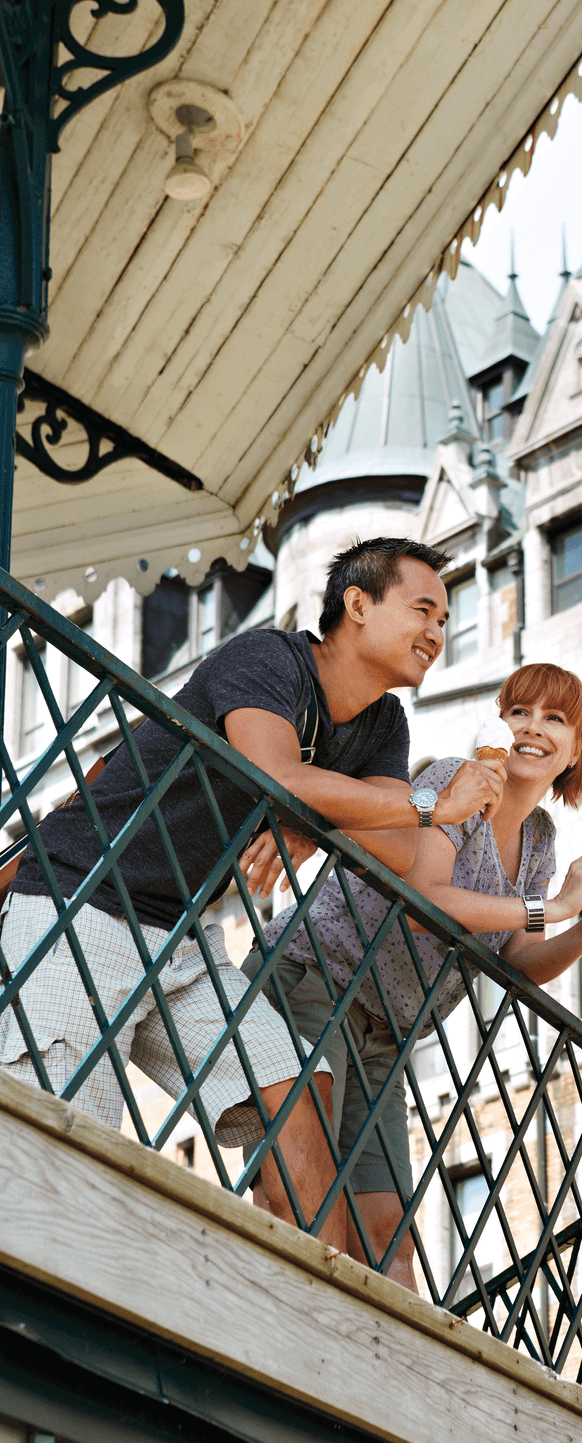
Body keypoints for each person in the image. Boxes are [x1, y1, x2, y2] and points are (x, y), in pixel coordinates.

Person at [0, 536, 506, 1254]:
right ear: (357, 604)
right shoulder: (267, 659)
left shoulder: (382, 723)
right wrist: (420, 806)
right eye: (423, 609)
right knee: (62, 1126)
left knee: (298, 1087)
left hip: (184, 934)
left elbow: (391, 853)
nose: (436, 632)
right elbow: (282, 776)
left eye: (445, 619)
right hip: (83, 897)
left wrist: (322, 821)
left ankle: (319, 1321)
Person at [242, 662, 582, 1293]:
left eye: (555, 719)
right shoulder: (453, 785)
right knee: (302, 1201)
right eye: (520, 711)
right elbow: (427, 904)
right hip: (315, 979)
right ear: (499, 723)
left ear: (574, 753)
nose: (532, 728)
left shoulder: (540, 838)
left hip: (387, 1034)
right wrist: (558, 907)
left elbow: (515, 956)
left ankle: (378, 1381)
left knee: (389, 1242)